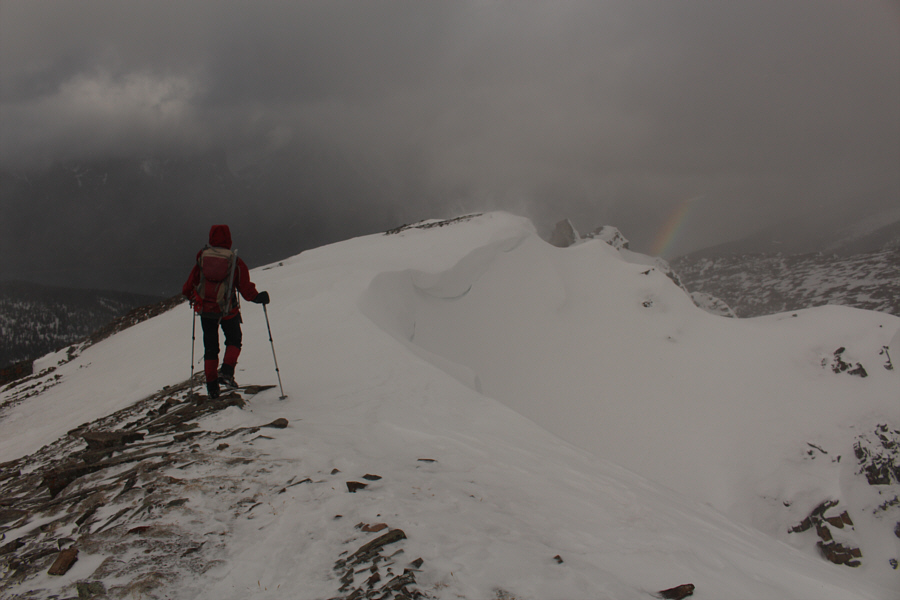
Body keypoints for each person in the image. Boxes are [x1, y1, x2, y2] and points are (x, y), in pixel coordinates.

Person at [183, 224, 269, 399]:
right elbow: (245, 287)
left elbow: (189, 285)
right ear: (229, 239)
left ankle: (212, 388)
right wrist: (258, 297)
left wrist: (192, 297)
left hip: (206, 311)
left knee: (210, 348)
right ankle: (227, 372)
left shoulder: (203, 257)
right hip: (228, 310)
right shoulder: (234, 260)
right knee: (234, 339)